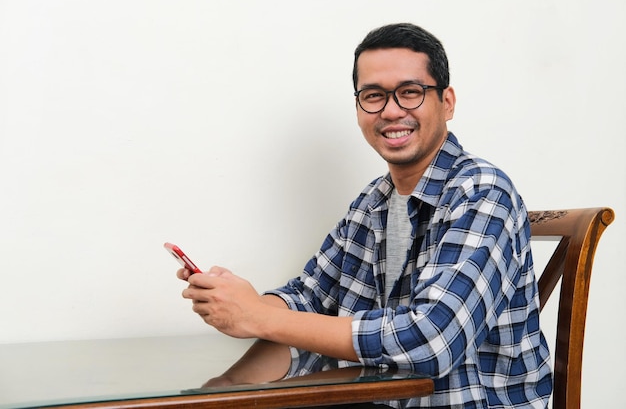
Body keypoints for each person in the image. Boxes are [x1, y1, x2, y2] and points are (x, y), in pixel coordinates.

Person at [179, 23, 553, 408]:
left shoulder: (483, 192)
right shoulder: (372, 202)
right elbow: (308, 300)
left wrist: (256, 316)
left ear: (447, 102)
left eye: (410, 92)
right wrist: (227, 362)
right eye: (373, 96)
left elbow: (432, 340)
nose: (391, 111)